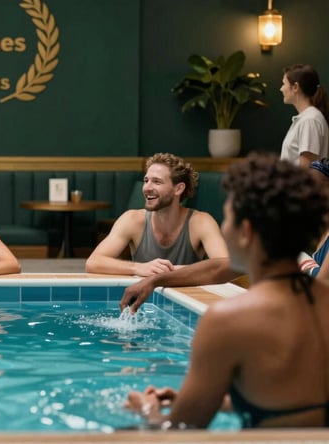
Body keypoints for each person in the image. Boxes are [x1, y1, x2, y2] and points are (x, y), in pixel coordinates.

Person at [126, 153, 329, 429]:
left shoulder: (228, 320)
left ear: (246, 231)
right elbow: (295, 403)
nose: (223, 228)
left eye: (228, 218)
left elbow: (177, 432)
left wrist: (148, 409)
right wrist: (216, 401)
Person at [85, 153, 228, 276]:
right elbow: (93, 262)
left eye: (157, 182)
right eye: (146, 181)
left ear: (178, 188)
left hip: (188, 300)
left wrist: (170, 271)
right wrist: (139, 268)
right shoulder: (132, 220)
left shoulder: (201, 222)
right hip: (143, 300)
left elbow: (226, 265)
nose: (147, 188)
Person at [279, 64, 329, 169]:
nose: (281, 89)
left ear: (295, 87)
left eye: (284, 84)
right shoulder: (306, 118)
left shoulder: (309, 120)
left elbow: (305, 170)